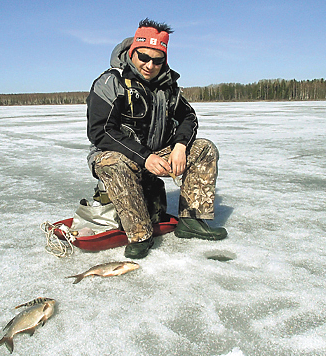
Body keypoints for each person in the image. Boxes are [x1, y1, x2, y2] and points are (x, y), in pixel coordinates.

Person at [86, 18, 227, 259]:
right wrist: (145, 157)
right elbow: (101, 131)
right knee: (112, 161)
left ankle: (192, 221)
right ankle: (140, 235)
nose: (150, 65)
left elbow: (188, 117)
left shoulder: (168, 86)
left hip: (158, 158)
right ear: (133, 53)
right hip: (125, 160)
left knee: (204, 149)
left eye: (158, 60)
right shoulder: (111, 82)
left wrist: (180, 146)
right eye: (144, 57)